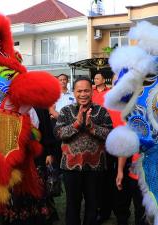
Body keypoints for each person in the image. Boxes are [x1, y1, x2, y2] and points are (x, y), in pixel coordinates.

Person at [54, 77, 113, 225]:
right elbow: (58, 133)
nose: (83, 94)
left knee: (93, 205)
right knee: (72, 206)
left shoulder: (101, 111)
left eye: (86, 90)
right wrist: (76, 124)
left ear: (92, 91)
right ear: (74, 92)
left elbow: (110, 135)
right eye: (79, 91)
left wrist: (92, 127)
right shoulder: (65, 111)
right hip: (70, 167)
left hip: (95, 168)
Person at [91, 73, 116, 224]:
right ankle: (99, 209)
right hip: (95, 140)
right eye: (94, 78)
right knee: (97, 178)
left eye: (98, 78)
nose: (96, 80)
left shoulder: (111, 93)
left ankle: (109, 208)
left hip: (111, 137)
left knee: (109, 177)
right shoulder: (90, 93)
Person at [115, 153, 148, 225]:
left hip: (153, 175)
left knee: (144, 211)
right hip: (136, 175)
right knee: (140, 211)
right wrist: (120, 171)